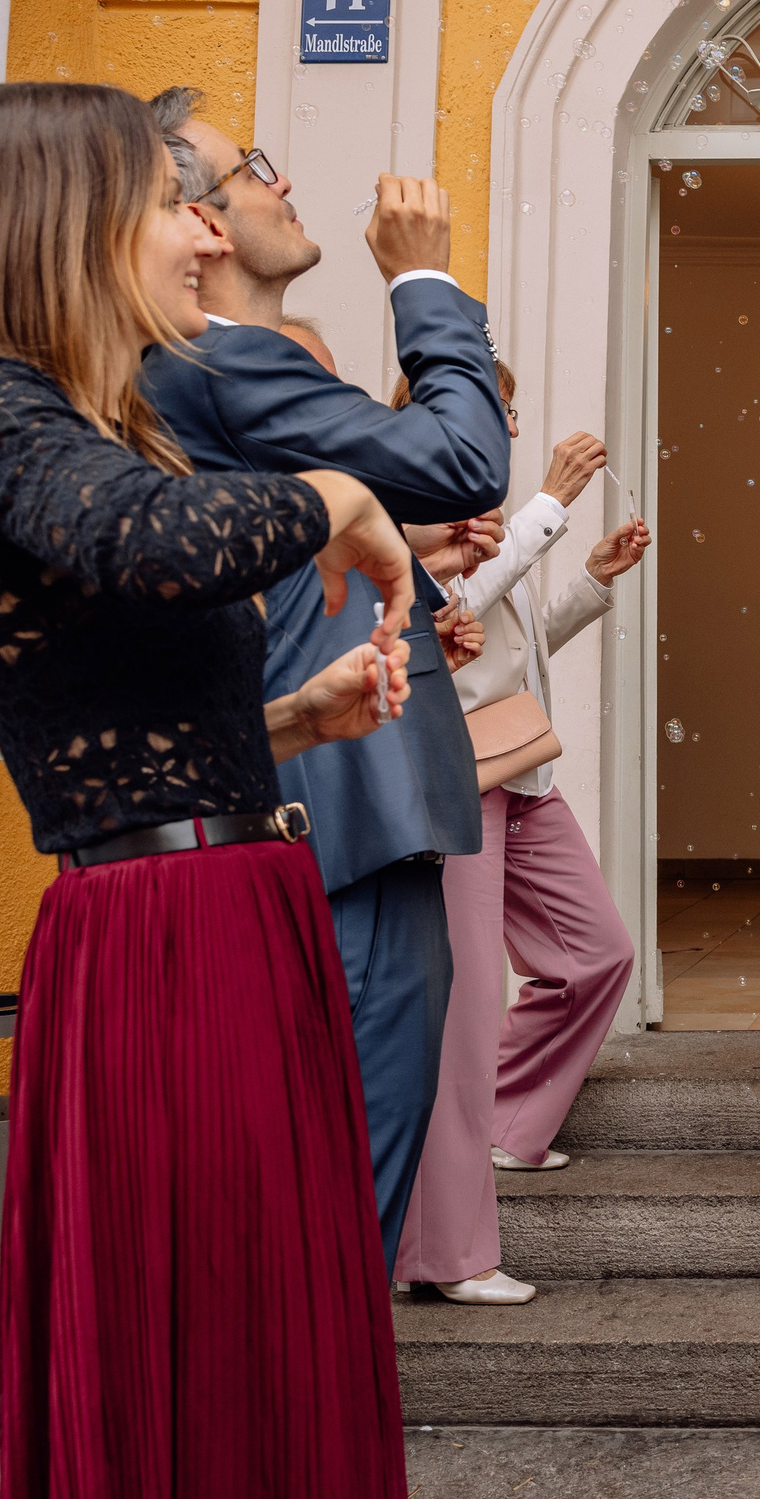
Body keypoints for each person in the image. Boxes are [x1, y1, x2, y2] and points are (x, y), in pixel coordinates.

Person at [0, 80, 418, 1496]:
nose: (204, 240)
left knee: (258, 1331)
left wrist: (289, 716)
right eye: (172, 205)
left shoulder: (52, 420)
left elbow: (108, 718)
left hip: (219, 906)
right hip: (174, 940)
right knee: (224, 1341)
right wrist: (340, 495)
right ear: (73, 223)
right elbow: (160, 547)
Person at [141, 88, 510, 1271]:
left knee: (321, 1154)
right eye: (243, 169)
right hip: (339, 799)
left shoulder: (214, 369)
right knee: (346, 1161)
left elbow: (308, 551)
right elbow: (461, 457)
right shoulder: (220, 362)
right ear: (189, 221)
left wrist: (423, 583)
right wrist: (423, 283)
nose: (278, 183)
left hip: (305, 782)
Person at [393, 371, 649, 1306]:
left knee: (596, 954)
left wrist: (591, 580)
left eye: (502, 406)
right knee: (460, 1013)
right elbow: (435, 612)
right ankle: (448, 1255)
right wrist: (553, 502)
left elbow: (509, 636)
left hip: (518, 765)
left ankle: (507, 1126)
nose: (500, 419)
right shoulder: (399, 500)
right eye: (483, 405)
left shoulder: (483, 509)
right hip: (455, 777)